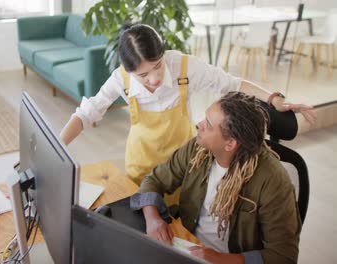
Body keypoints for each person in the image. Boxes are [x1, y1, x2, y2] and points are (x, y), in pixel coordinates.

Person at [59, 23, 316, 185]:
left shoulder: (183, 66)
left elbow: (232, 83)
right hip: (141, 167)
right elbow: (86, 113)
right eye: (143, 75)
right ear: (129, 71)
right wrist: (57, 147)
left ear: (163, 54)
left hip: (186, 163)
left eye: (158, 65)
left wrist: (273, 98)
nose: (155, 78)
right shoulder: (120, 79)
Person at [132, 91, 301, 264]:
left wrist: (221, 259)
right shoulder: (198, 149)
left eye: (209, 125)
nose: (199, 125)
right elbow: (154, 180)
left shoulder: (273, 180)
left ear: (230, 143)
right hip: (189, 245)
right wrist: (152, 218)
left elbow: (284, 255)